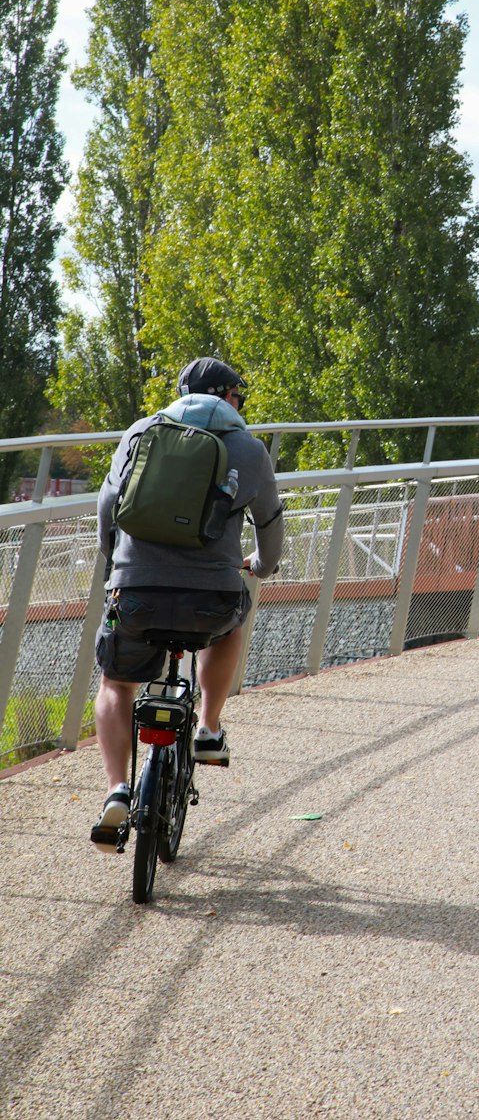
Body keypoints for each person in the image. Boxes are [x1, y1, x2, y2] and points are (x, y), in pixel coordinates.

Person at [90, 357, 284, 850]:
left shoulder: (141, 432)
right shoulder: (249, 449)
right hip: (210, 599)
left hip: (136, 593)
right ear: (226, 396)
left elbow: (107, 505)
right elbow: (269, 521)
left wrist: (116, 565)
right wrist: (262, 566)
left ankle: (117, 789)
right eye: (238, 395)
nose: (241, 404)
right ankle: (208, 728)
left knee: (116, 684)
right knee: (231, 623)